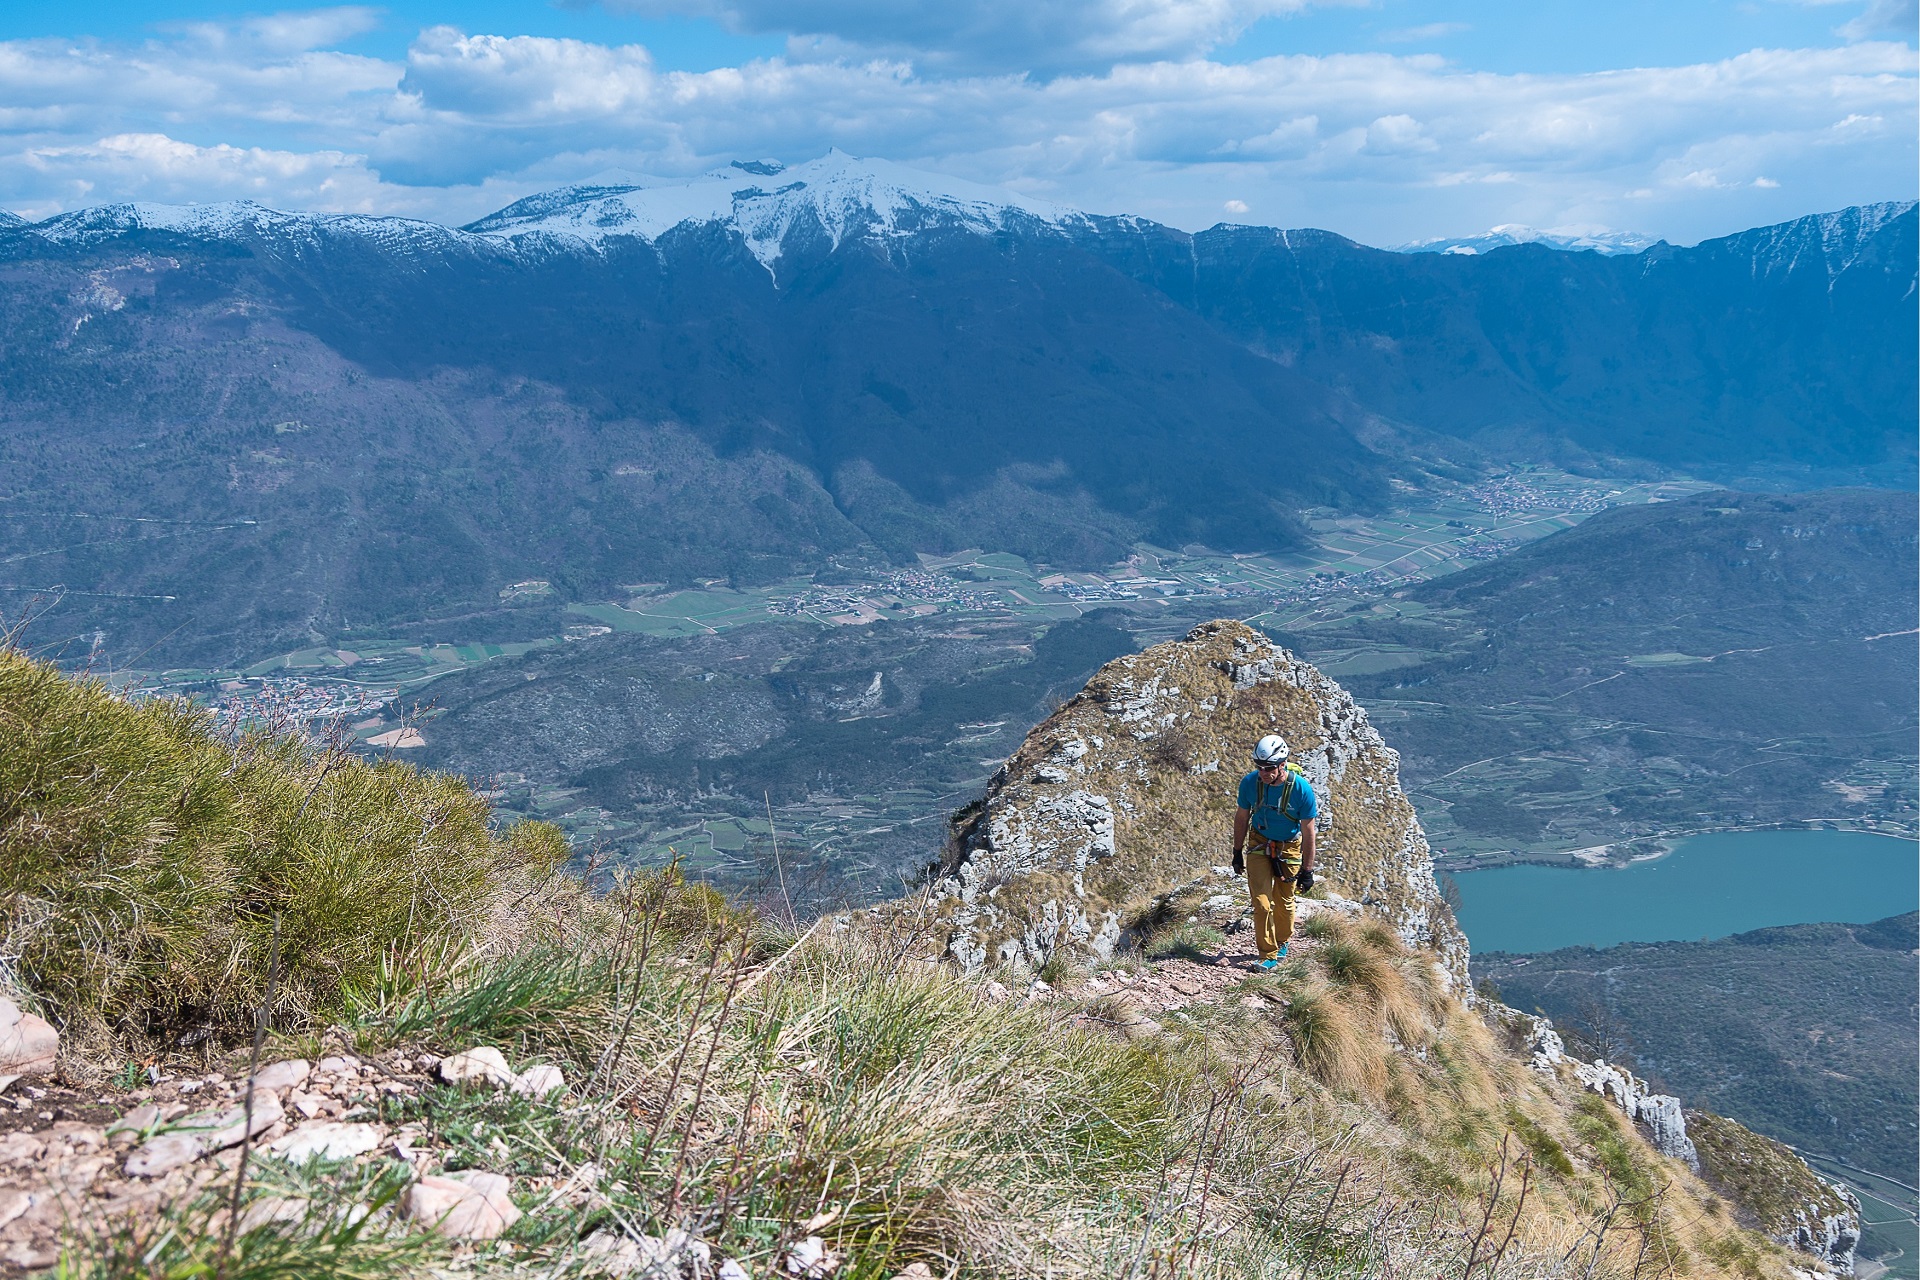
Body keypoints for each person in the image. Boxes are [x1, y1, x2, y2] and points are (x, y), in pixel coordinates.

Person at [1231, 735, 1318, 970]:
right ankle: (1267, 953)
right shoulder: (1250, 783)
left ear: (1282, 764)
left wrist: (1307, 870)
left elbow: (1309, 832)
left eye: (1268, 768)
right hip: (1259, 842)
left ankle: (1282, 941)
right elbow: (1241, 818)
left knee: (1284, 900)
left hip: (1289, 845)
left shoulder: (1301, 789)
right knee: (1261, 903)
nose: (1263, 772)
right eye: (1259, 767)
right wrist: (1237, 852)